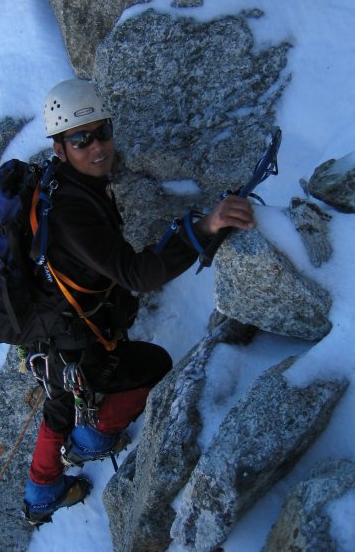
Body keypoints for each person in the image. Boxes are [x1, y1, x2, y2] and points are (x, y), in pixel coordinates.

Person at [22, 79, 255, 526]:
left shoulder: (62, 184)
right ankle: (89, 442)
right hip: (69, 330)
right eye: (80, 139)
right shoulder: (71, 209)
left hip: (53, 321)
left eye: (102, 131)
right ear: (59, 148)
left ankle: (42, 490)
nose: (97, 147)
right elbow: (136, 273)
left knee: (59, 399)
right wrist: (204, 228)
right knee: (152, 367)